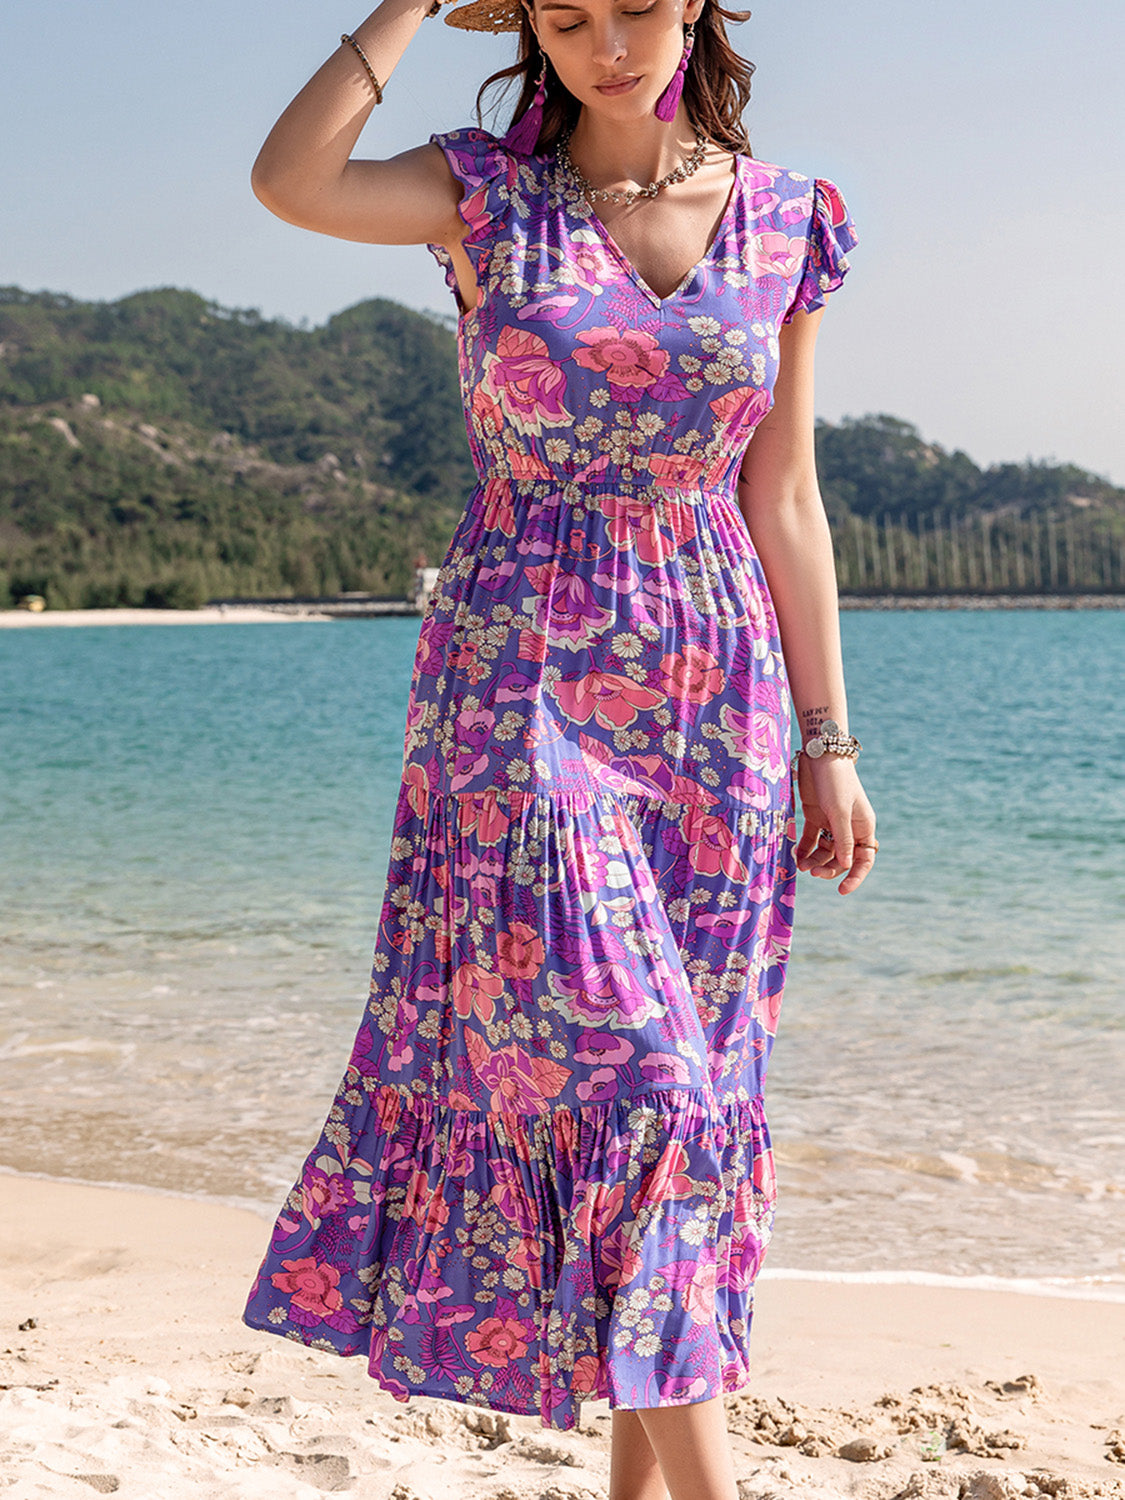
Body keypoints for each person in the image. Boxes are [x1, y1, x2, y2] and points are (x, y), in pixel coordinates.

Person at [242, 0, 877, 1494]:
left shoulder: (790, 216)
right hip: (520, 685)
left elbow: (784, 494)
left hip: (717, 697)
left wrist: (827, 740)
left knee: (695, 1100)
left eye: (636, 5)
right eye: (567, 14)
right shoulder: (482, 195)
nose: (609, 43)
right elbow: (291, 181)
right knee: (637, 1083)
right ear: (527, 22)